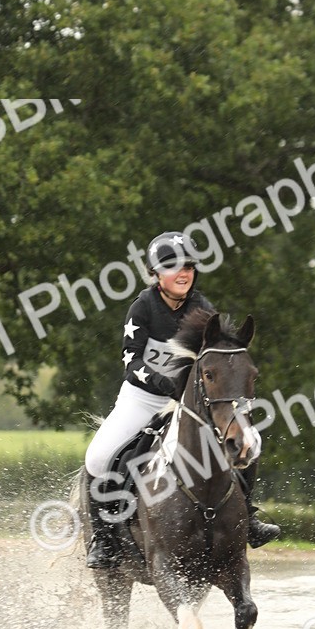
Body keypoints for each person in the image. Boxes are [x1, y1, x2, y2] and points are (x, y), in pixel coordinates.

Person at [84, 230, 280, 568]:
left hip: (188, 401)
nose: (184, 272)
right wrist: (164, 384)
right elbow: (132, 362)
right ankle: (104, 540)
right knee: (99, 456)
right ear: (156, 274)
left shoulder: (202, 307)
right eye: (173, 267)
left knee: (248, 441)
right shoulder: (142, 308)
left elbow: (215, 359)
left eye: (189, 266)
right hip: (142, 398)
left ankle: (249, 517)